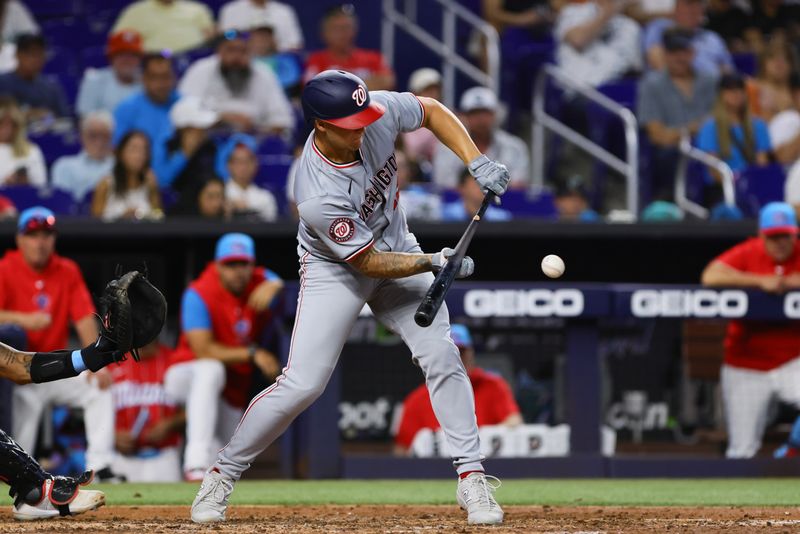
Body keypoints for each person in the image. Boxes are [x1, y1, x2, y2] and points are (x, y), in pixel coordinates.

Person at [190, 70, 510, 526]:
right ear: (321, 124)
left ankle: (471, 478)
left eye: (365, 114)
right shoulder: (314, 190)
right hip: (336, 269)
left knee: (442, 353)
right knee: (303, 383)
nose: (365, 123)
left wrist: (474, 159)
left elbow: (432, 111)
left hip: (398, 248)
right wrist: (433, 262)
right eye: (351, 121)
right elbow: (367, 263)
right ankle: (221, 473)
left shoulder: (373, 110)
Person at [0, 207, 123, 484]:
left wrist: (96, 361)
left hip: (54, 367)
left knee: (98, 386)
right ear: (20, 239)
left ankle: (100, 467)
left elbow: (82, 317)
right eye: (33, 235)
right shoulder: (5, 268)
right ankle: (19, 475)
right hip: (18, 374)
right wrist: (22, 319)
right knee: (22, 408)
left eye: (46, 235)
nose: (40, 242)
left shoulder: (66, 270)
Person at [168, 233, 282, 480]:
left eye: (244, 264)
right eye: (231, 264)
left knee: (228, 465)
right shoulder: (199, 292)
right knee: (210, 369)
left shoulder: (257, 282)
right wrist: (253, 353)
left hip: (228, 388)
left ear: (252, 265)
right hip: (184, 374)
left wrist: (275, 283)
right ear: (218, 265)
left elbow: (275, 278)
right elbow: (203, 350)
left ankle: (204, 471)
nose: (238, 271)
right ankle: (194, 462)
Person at [701, 202, 800, 458]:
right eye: (773, 237)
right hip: (746, 364)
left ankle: (793, 447)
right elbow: (710, 276)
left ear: (795, 234)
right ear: (762, 235)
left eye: (785, 236)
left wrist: (792, 281)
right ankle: (738, 499)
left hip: (792, 361)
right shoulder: (749, 252)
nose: (780, 243)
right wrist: (758, 281)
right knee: (741, 450)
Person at [395, 324, 522, 454]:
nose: (455, 358)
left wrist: (481, 439)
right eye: (448, 352)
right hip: (436, 469)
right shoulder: (417, 399)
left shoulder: (493, 385)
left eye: (460, 351)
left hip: (485, 463)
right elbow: (401, 450)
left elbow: (514, 422)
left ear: (471, 353)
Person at [637, 28, 717, 200]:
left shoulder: (709, 80)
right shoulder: (652, 84)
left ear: (693, 53)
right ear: (665, 55)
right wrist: (692, 129)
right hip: (672, 154)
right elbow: (657, 135)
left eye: (685, 51)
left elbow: (722, 120)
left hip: (710, 148)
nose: (680, 58)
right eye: (674, 52)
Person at [178, 30, 293, 135]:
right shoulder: (201, 69)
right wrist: (221, 118)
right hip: (209, 137)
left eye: (243, 51)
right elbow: (183, 111)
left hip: (253, 139)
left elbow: (282, 119)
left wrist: (256, 129)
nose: (236, 57)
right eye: (231, 50)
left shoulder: (263, 73)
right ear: (219, 52)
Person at [110, 341, 185, 482]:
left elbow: (195, 409)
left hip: (165, 456)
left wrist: (170, 424)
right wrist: (112, 435)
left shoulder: (175, 360)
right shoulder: (111, 363)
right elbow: (92, 413)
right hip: (122, 458)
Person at [433, 87, 529, 189]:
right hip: (458, 203)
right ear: (464, 116)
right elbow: (443, 185)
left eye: (485, 112)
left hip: (505, 203)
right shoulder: (447, 145)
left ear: (495, 115)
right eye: (474, 113)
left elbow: (517, 186)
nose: (480, 119)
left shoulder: (515, 146)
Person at [303, 5, 395, 91]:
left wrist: (338, 87)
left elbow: (387, 82)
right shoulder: (316, 60)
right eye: (336, 28)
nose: (343, 33)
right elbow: (313, 89)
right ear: (324, 33)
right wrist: (365, 84)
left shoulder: (373, 58)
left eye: (346, 27)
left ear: (355, 30)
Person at [696, 73, 772, 175]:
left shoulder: (758, 125)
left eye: (740, 89)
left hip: (752, 182)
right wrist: (734, 183)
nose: (736, 93)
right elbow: (714, 169)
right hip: (723, 186)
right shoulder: (710, 127)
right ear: (721, 94)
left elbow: (762, 164)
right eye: (730, 89)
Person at [554, 0, 641, 88]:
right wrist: (606, 15)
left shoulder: (630, 26)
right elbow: (578, 40)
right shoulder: (573, 12)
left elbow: (634, 69)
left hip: (611, 90)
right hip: (574, 88)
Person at [643, 0, 733, 77]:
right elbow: (656, 61)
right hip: (670, 91)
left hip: (712, 91)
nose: (692, 10)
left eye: (697, 5)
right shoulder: (659, 27)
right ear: (676, 8)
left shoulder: (713, 38)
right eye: (688, 4)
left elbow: (727, 71)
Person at [91, 130, 161, 221]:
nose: (139, 155)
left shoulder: (151, 184)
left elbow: (159, 217)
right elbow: (95, 224)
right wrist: (121, 218)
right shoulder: (105, 185)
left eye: (144, 150)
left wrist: (153, 192)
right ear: (120, 152)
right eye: (134, 149)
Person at [152, 95, 219, 191]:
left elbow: (220, 176)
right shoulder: (164, 145)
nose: (205, 131)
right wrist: (184, 154)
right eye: (200, 127)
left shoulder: (211, 146)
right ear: (184, 129)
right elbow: (161, 182)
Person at [113, 52, 179, 148]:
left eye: (165, 76)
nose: (161, 83)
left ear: (174, 78)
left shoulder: (184, 105)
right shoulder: (126, 109)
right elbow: (118, 151)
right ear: (143, 79)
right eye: (155, 77)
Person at [76, 29, 144, 118]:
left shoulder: (147, 83)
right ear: (112, 57)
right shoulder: (94, 80)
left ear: (140, 60)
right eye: (121, 54)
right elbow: (84, 118)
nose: (127, 60)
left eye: (133, 55)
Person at [0, 34, 69, 120]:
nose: (37, 60)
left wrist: (48, 116)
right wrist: (27, 114)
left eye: (41, 55)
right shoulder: (2, 83)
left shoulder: (51, 87)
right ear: (18, 55)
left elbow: (65, 118)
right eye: (32, 54)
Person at [51, 111, 115, 202]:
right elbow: (61, 201)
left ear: (111, 138)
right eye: (93, 135)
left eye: (104, 136)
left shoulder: (119, 167)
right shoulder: (64, 166)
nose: (99, 142)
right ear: (82, 137)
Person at [111, 0, 215, 54]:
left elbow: (212, 37)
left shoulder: (196, 9)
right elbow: (117, 42)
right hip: (153, 63)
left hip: (194, 59)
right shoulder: (134, 12)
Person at [218, 133, 278, 222]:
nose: (243, 167)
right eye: (238, 162)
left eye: (247, 162)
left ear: (255, 165)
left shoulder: (266, 198)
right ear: (229, 165)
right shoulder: (219, 195)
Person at [746, 39, 799, 124]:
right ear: (763, 63)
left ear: (792, 65)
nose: (779, 63)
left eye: (785, 58)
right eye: (772, 57)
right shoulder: (751, 88)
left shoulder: (796, 91)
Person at [219, 0, 304, 51]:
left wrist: (272, 48)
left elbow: (295, 44)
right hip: (241, 62)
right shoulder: (231, 10)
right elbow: (226, 41)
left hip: (277, 64)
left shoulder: (284, 11)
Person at [0, 96, 45, 187]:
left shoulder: (32, 150)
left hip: (25, 198)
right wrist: (4, 184)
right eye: (1, 123)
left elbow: (41, 186)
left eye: (12, 124)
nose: (7, 129)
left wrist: (26, 182)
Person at [247, 22, 302, 96]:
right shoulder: (246, 61)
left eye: (265, 38)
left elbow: (292, 80)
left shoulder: (287, 60)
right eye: (257, 38)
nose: (261, 42)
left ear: (273, 40)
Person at [402, 68, 441, 165]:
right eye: (428, 91)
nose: (433, 95)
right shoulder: (404, 119)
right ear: (414, 94)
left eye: (435, 91)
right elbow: (410, 150)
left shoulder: (448, 116)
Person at [442, 168, 512, 222]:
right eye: (477, 184)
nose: (482, 188)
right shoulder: (442, 216)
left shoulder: (502, 218)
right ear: (461, 188)